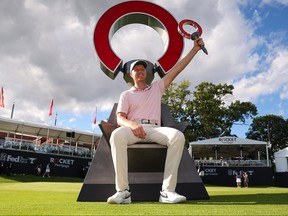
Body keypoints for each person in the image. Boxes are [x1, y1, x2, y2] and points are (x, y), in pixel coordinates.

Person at [107, 38, 205, 204]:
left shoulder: (157, 87)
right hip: (134, 129)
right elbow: (120, 118)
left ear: (146, 73)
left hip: (155, 129)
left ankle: (167, 192)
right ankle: (123, 192)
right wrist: (132, 124)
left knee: (178, 136)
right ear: (131, 74)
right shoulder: (126, 95)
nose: (140, 71)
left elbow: (177, 69)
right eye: (136, 69)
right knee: (116, 135)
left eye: (142, 69)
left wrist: (195, 50)